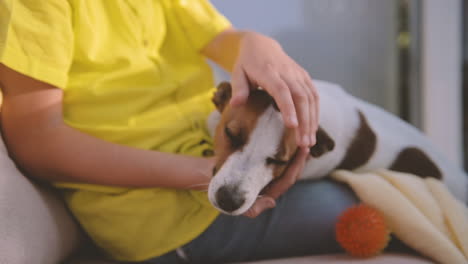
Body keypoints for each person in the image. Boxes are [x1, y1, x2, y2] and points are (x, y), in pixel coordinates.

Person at [0, 1, 358, 263]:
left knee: (370, 177)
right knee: (361, 203)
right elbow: (36, 141)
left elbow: (221, 38)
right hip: (161, 218)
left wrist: (257, 46)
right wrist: (207, 173)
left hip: (214, 163)